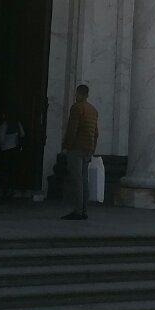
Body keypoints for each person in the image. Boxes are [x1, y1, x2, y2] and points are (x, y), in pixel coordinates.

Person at [60, 83, 99, 220]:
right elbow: (96, 133)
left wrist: (66, 146)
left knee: (76, 180)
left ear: (78, 93)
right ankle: (84, 210)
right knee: (84, 180)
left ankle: (77, 211)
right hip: (88, 149)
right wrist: (92, 149)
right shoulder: (93, 110)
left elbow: (72, 129)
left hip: (76, 148)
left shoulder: (77, 108)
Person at [0, 108, 25, 198]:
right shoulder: (17, 123)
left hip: (5, 151)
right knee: (12, 170)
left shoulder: (4, 125)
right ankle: (11, 188)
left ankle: (5, 190)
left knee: (5, 171)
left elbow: (0, 139)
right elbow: (22, 134)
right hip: (15, 149)